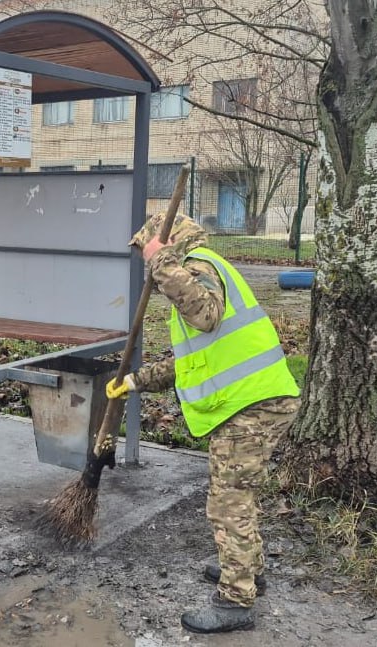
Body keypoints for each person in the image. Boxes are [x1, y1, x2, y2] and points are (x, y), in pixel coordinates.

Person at [105, 212, 301, 634]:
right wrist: (136, 382)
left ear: (166, 243)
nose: (145, 261)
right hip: (254, 400)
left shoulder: (200, 268)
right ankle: (249, 570)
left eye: (146, 251)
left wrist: (162, 263)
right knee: (237, 496)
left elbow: (206, 315)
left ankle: (236, 601)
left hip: (252, 404)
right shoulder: (200, 273)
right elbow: (192, 362)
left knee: (228, 502)